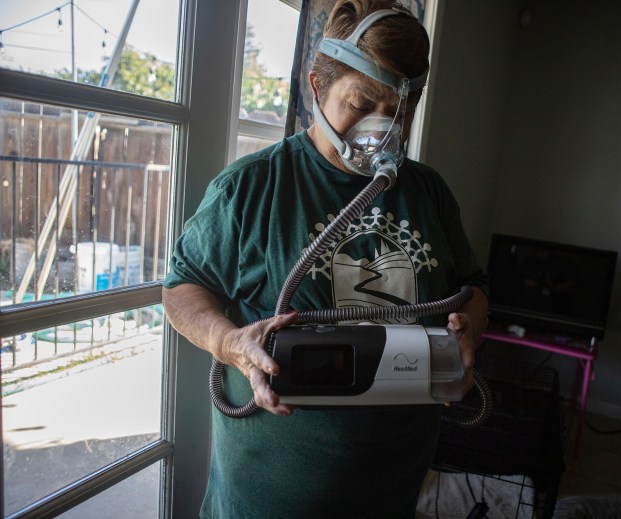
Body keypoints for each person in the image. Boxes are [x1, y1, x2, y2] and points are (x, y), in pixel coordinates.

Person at [162, 0, 488, 517]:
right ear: (316, 87)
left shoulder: (429, 192)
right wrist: (228, 342)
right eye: (361, 103)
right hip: (269, 499)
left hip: (393, 488)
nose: (381, 130)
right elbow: (180, 291)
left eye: (399, 112)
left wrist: (468, 330)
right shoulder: (250, 187)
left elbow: (472, 285)